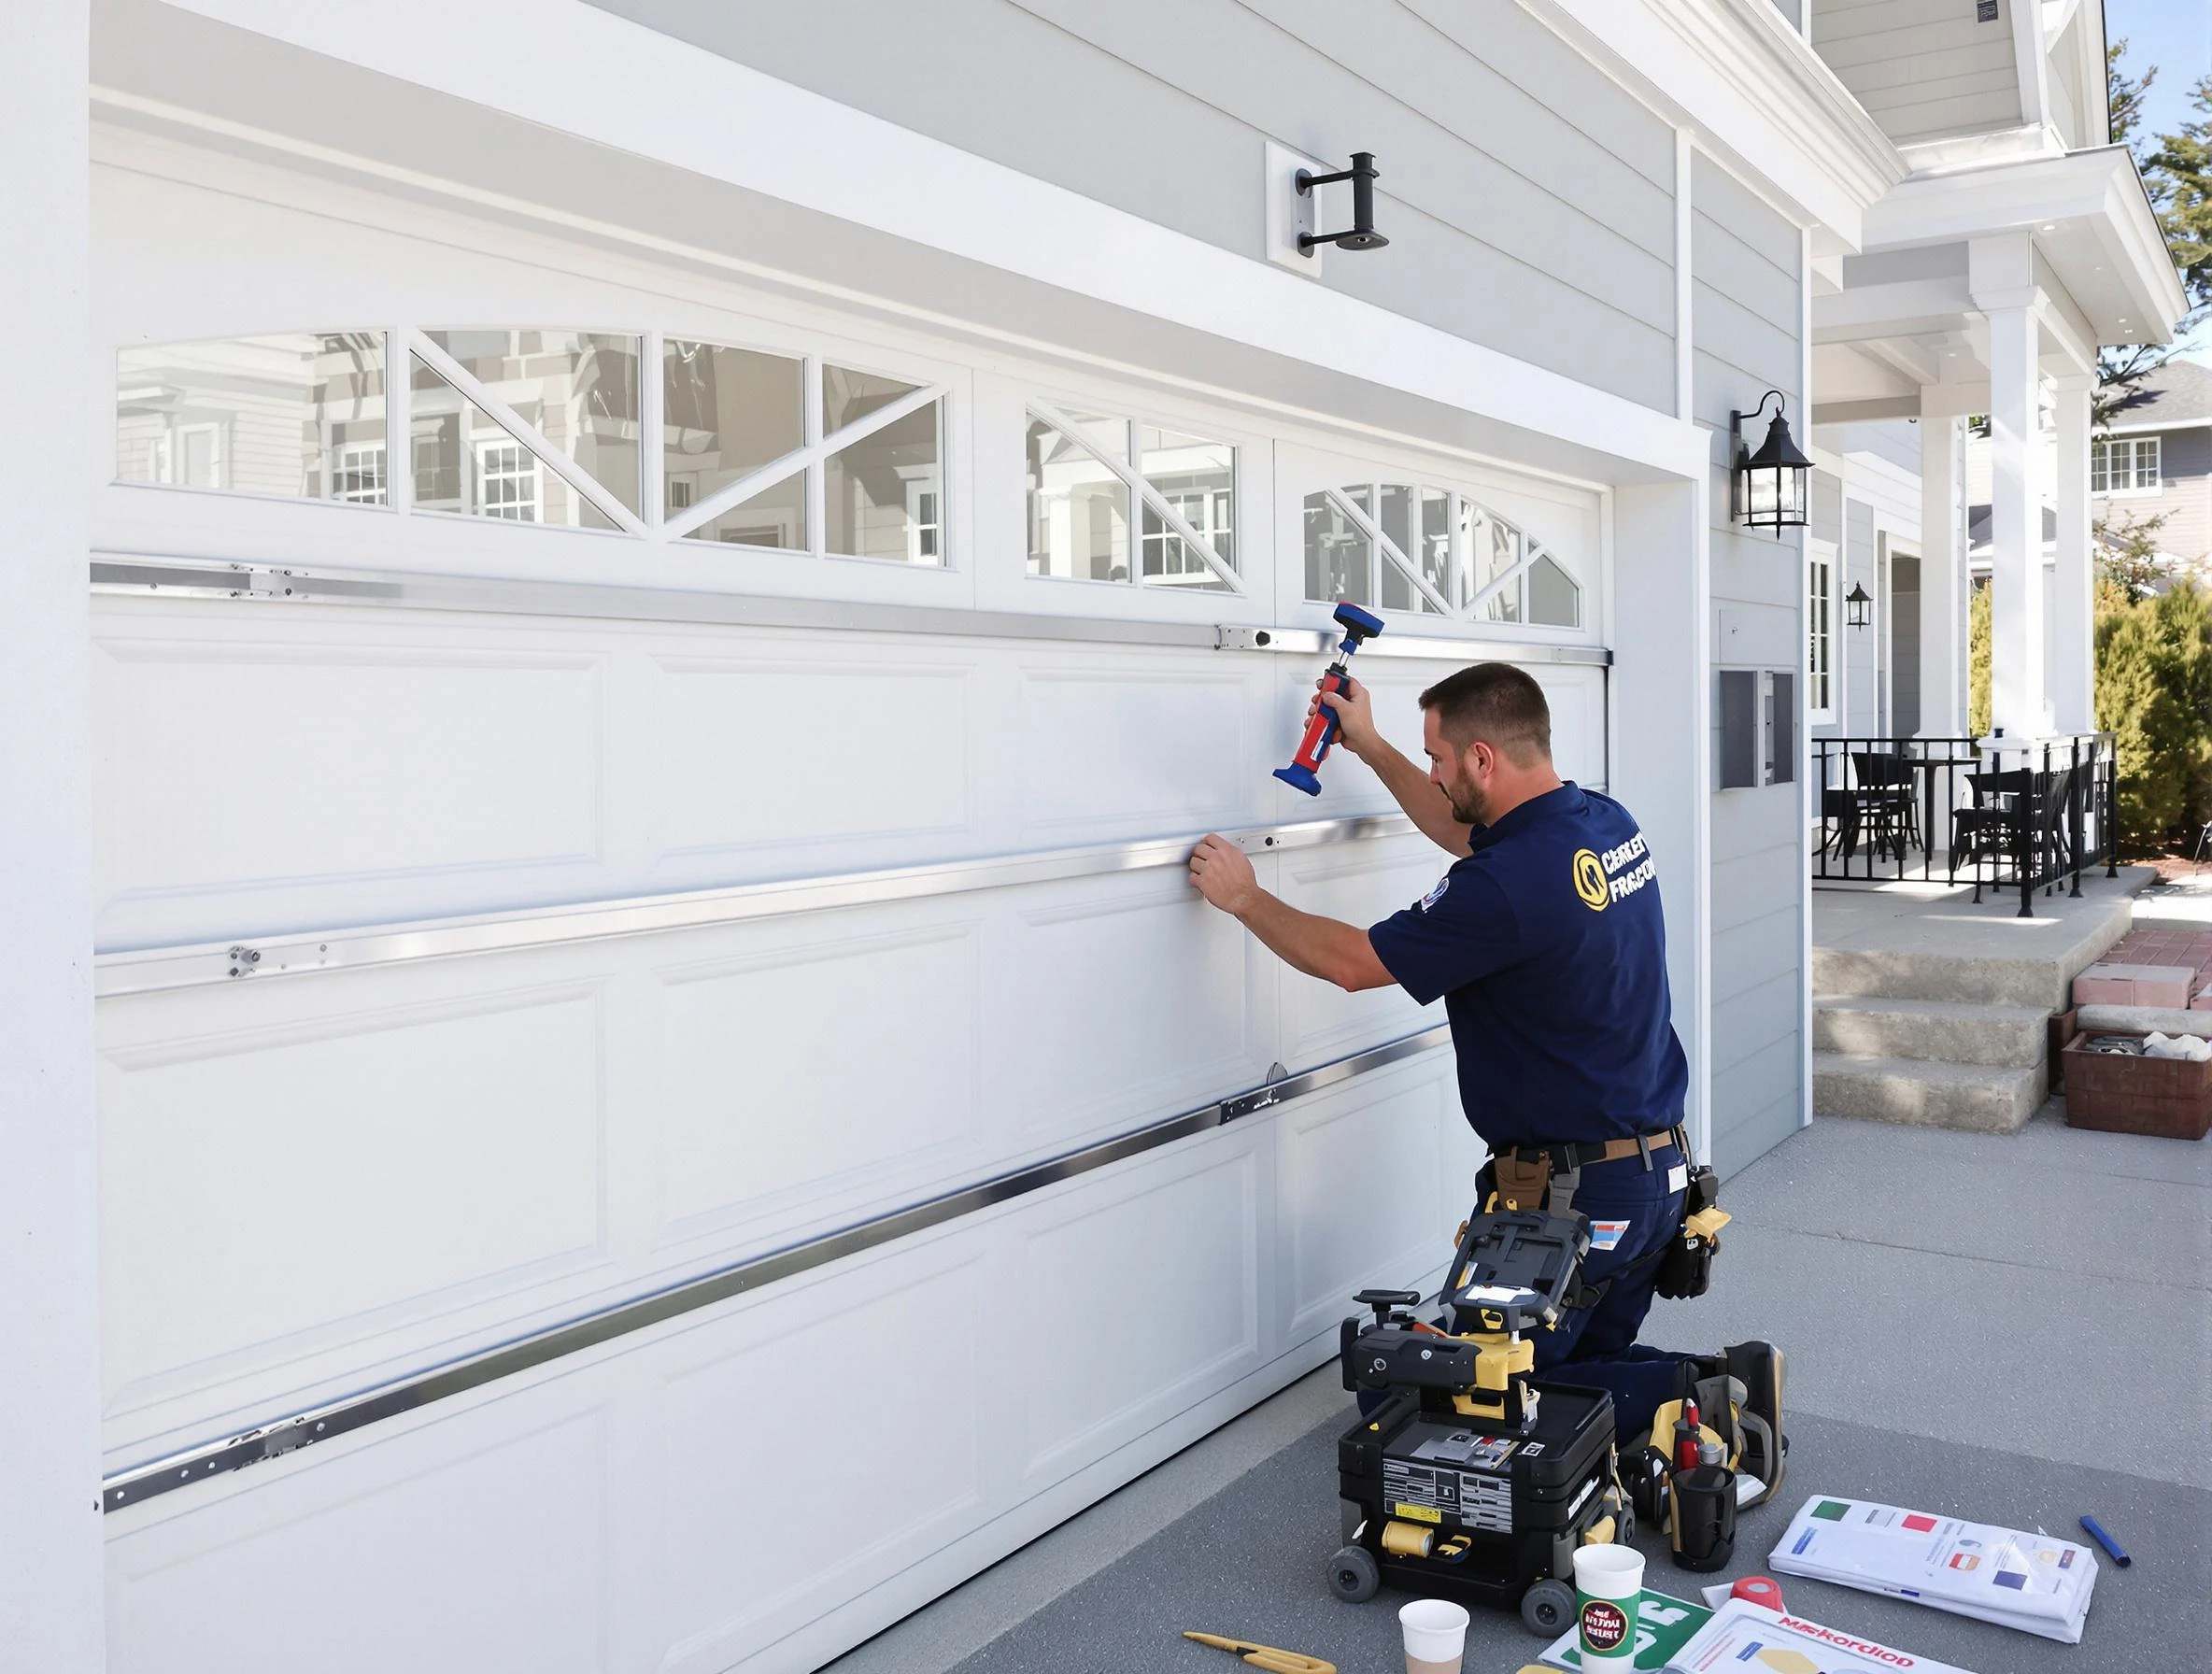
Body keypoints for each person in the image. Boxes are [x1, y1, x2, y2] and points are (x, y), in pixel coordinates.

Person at [1187, 660, 1780, 1466]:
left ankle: (1693, 1393)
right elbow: (1463, 826)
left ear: (1482, 760)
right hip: (1653, 1185)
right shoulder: (1602, 823)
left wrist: (1246, 897)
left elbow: (1355, 963)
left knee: (1435, 1388)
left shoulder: (1504, 887)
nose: (1433, 774)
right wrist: (1368, 745)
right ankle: (1705, 1390)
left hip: (1574, 1207)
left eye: (1438, 759)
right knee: (1560, 1376)